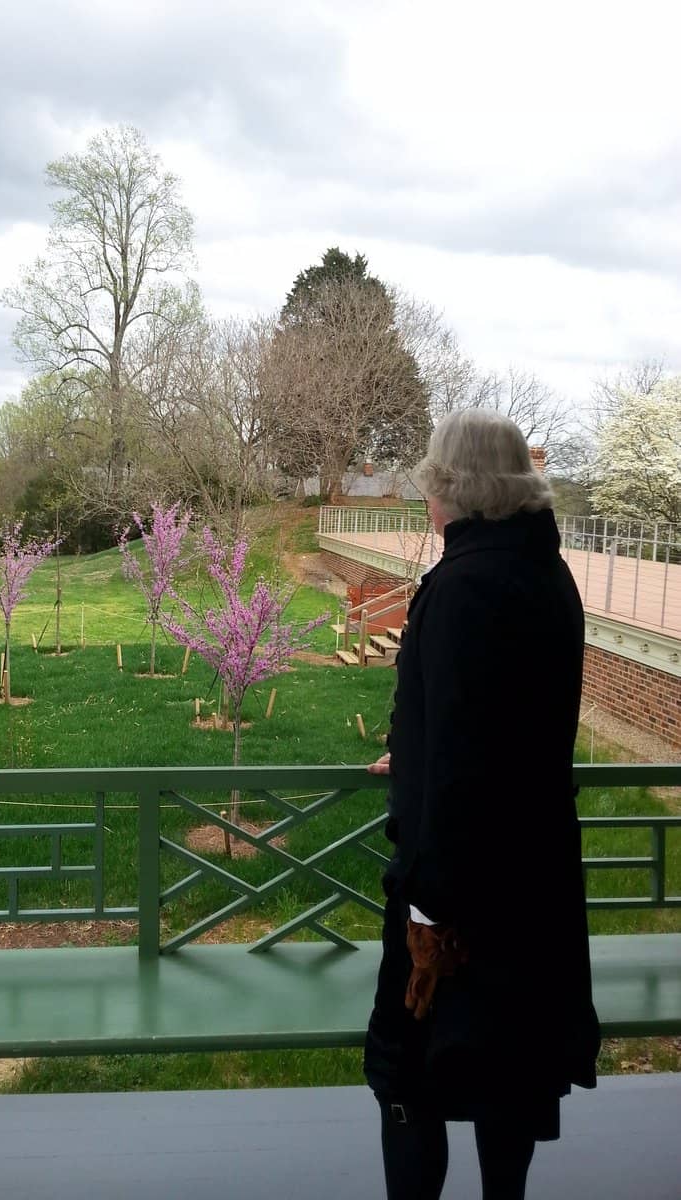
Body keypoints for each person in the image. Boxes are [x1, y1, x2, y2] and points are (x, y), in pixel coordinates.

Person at [363, 409, 600, 1200]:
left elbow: (465, 758)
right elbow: (500, 720)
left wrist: (429, 906)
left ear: (453, 488)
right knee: (512, 1081)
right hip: (537, 877)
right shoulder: (547, 576)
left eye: (432, 483)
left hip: (460, 894)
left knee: (408, 1080)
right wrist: (419, 746)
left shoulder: (461, 586)